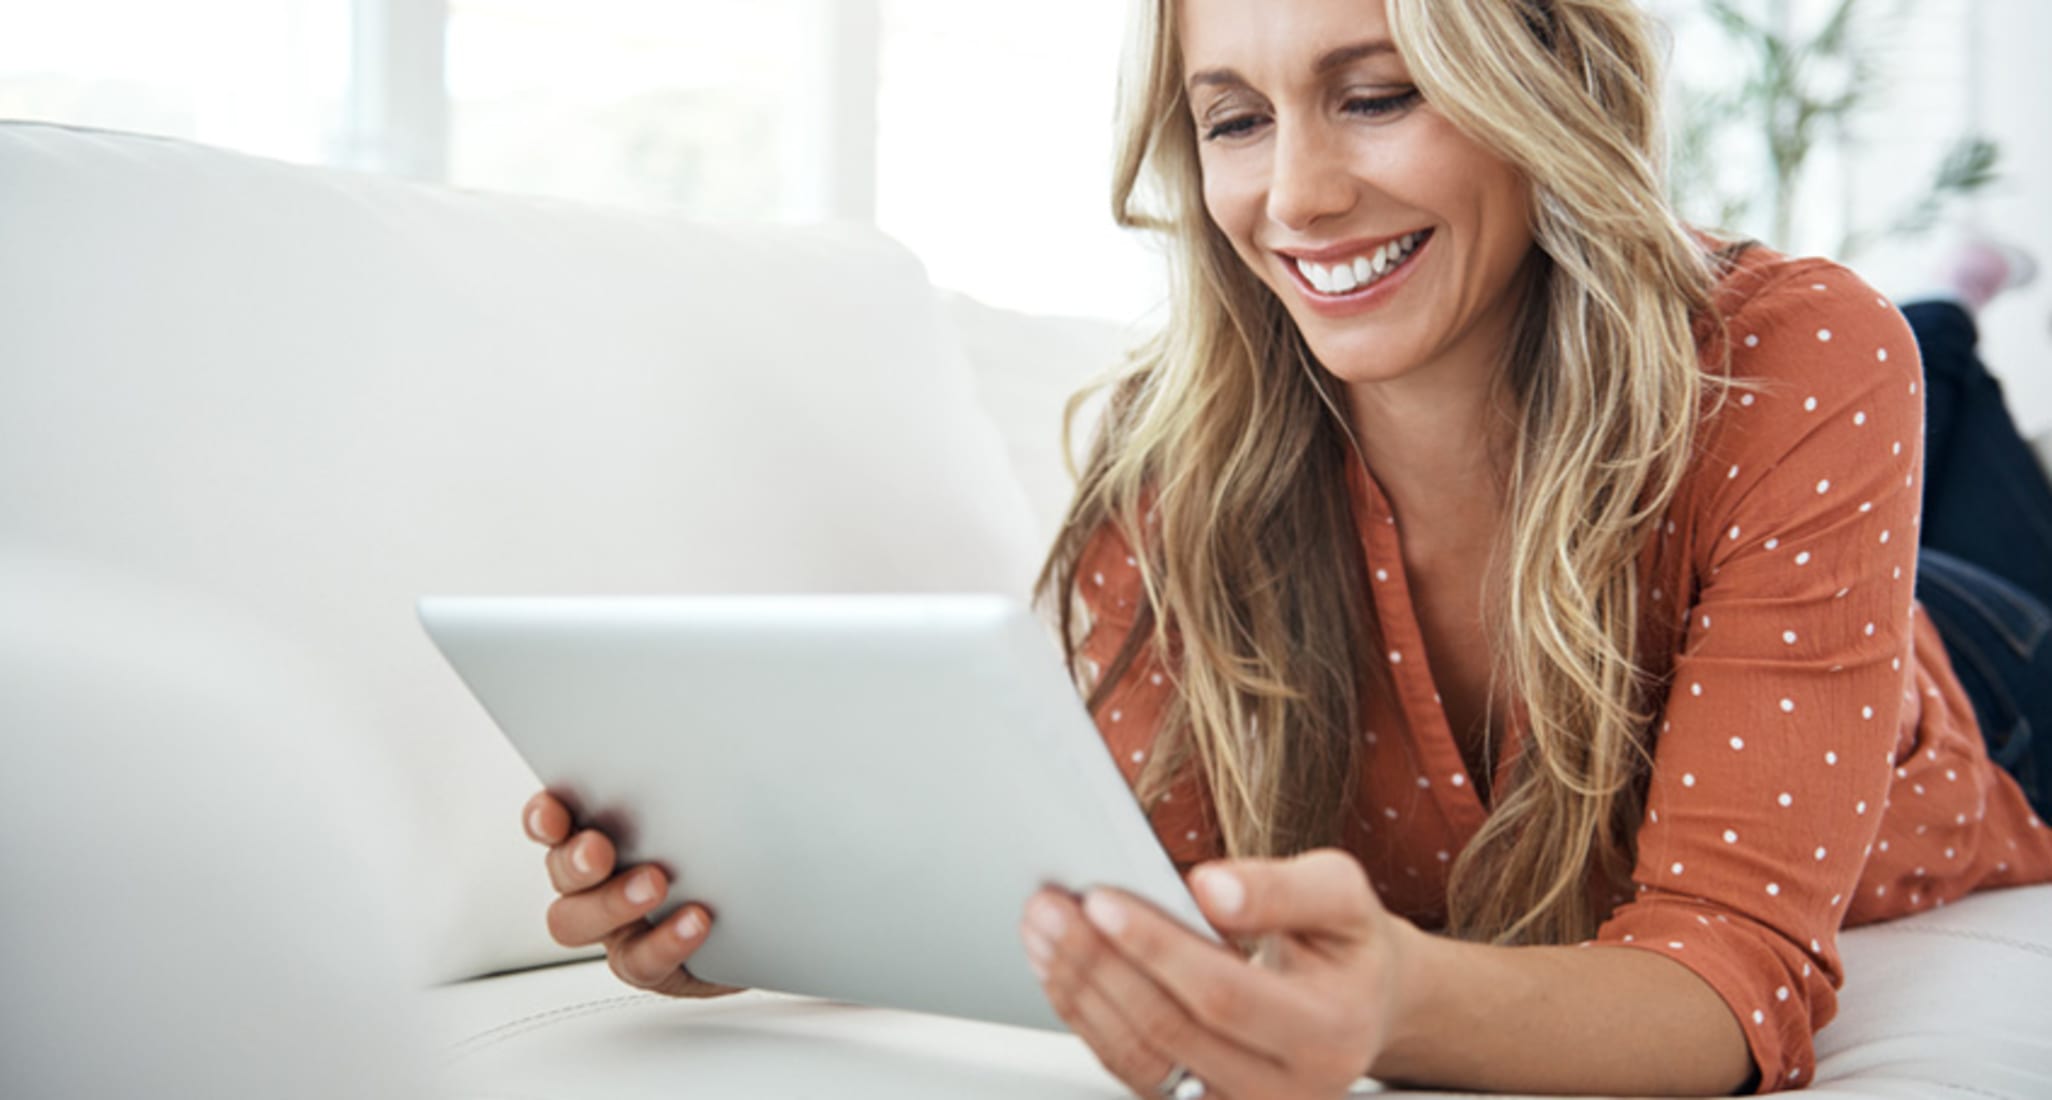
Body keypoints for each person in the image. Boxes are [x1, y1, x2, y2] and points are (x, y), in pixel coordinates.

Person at [517, 0, 2052, 1096]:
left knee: (1927, 375)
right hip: (1758, 530)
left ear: (1540, 83)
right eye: (1235, 118)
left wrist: (1401, 1002)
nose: (1299, 196)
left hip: (1971, 674)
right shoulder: (1176, 476)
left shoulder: (1789, 361)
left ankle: (1958, 352)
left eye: (1377, 93)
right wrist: (751, 916)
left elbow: (1730, 988)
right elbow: (1139, 904)